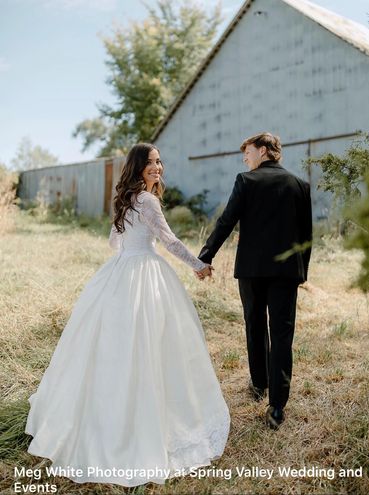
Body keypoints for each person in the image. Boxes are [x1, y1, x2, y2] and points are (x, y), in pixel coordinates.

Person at [25, 143, 230, 487]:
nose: (158, 167)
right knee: (149, 342)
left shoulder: (126, 199)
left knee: (116, 345)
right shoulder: (147, 200)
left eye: (160, 162)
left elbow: (113, 242)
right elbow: (168, 240)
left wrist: (131, 246)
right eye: (151, 163)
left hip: (119, 271)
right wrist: (198, 265)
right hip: (142, 271)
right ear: (137, 167)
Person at [198, 132, 312, 429]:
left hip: (251, 270)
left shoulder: (246, 181)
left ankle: (259, 383)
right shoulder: (300, 185)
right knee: (283, 333)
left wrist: (206, 255)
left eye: (247, 152)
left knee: (255, 325)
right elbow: (306, 236)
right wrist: (303, 272)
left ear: (263, 151)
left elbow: (226, 221)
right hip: (287, 272)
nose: (245, 158)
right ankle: (276, 406)